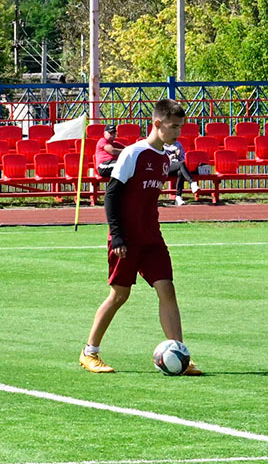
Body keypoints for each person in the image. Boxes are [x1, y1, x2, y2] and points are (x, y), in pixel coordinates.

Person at [80, 99, 208, 374]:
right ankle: (89, 352)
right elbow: (111, 195)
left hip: (152, 238)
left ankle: (181, 355)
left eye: (181, 127)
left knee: (167, 289)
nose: (178, 132)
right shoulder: (133, 153)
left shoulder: (164, 157)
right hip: (126, 239)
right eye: (173, 126)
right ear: (157, 123)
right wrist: (117, 236)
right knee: (119, 295)